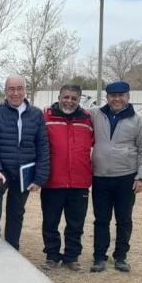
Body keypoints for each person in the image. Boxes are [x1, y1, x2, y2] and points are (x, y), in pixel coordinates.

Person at [89, 81, 142, 273]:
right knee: (101, 220)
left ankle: (120, 257)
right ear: (107, 97)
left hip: (126, 178)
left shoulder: (138, 120)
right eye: (112, 95)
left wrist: (141, 177)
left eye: (121, 95)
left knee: (124, 220)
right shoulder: (96, 114)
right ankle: (99, 257)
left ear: (128, 97)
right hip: (100, 177)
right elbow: (74, 110)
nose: (117, 99)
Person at [0, 75, 50, 254]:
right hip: (1, 168)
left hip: (24, 171)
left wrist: (40, 177)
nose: (15, 93)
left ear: (25, 90)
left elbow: (43, 146)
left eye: (19, 88)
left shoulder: (36, 114)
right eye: (11, 89)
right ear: (5, 91)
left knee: (17, 210)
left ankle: (12, 243)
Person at [41, 84, 93, 271]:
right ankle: (52, 256)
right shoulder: (46, 116)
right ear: (59, 96)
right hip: (53, 181)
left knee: (76, 223)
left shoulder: (87, 119)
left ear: (79, 100)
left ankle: (71, 257)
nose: (69, 101)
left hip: (79, 181)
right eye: (66, 97)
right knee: (50, 221)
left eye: (73, 98)